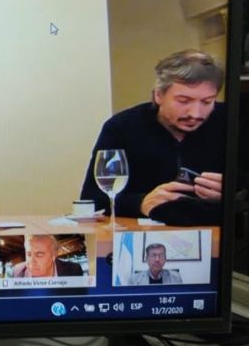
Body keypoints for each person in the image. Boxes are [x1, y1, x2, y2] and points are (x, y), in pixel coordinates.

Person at [79, 49, 226, 226]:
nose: (195, 113)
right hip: (142, 236)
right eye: (183, 101)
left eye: (207, 102)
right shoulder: (122, 127)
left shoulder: (231, 123)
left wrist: (232, 195)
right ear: (158, 95)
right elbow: (91, 200)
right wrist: (140, 203)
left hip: (218, 237)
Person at [13, 235, 83, 278]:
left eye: (39, 255)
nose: (32, 261)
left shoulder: (73, 271)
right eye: (29, 254)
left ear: (54, 255)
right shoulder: (17, 272)